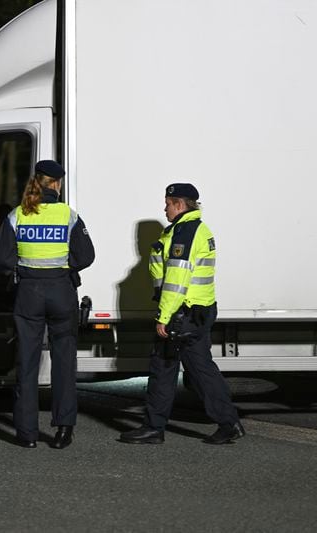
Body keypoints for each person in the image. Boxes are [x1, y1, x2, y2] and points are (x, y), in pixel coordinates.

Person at [119, 183, 245, 445]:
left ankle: (155, 427)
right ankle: (228, 422)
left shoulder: (185, 233)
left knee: (164, 368)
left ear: (178, 204)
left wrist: (164, 316)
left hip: (182, 312)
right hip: (196, 310)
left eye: (167, 203)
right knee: (200, 370)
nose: (164, 208)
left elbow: (176, 280)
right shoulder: (191, 229)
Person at [0, 160, 95, 449]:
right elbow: (86, 256)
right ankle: (63, 430)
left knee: (26, 362)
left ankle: (26, 434)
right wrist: (65, 266)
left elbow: (1, 257)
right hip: (61, 291)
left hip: (28, 292)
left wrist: (21, 268)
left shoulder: (18, 214)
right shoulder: (68, 215)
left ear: (36, 182)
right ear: (58, 184)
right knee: (64, 361)